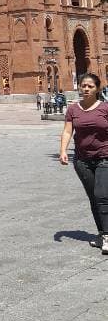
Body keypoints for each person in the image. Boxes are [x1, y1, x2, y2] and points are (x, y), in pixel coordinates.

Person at [59, 72, 108, 253]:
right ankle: (102, 233)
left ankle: (107, 235)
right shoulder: (73, 109)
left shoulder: (105, 108)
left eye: (90, 86)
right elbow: (67, 131)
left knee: (102, 195)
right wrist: (63, 150)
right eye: (83, 86)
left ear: (97, 89)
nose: (86, 89)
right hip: (82, 160)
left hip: (105, 157)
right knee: (94, 198)